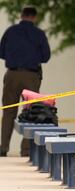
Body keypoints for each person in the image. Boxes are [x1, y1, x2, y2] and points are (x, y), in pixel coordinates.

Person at [0, 6, 51, 157]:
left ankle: (3, 148)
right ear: (35, 17)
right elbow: (46, 57)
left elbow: (1, 52)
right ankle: (26, 149)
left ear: (21, 15)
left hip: (12, 74)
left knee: (8, 111)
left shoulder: (10, 31)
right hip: (31, 76)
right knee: (30, 111)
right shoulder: (39, 34)